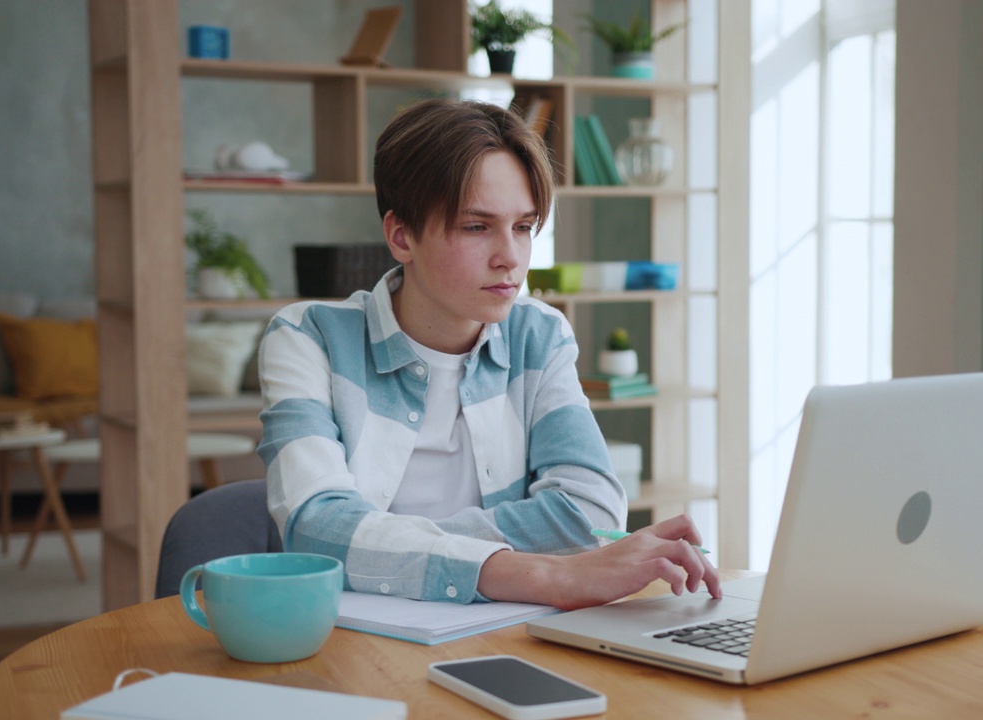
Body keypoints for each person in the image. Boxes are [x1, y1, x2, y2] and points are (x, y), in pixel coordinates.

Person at [257, 98, 720, 610]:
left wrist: (378, 543)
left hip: (502, 626)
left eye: (523, 226)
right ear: (401, 235)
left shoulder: (539, 336)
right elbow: (316, 532)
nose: (511, 257)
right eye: (476, 227)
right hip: (355, 635)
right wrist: (544, 574)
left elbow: (591, 513)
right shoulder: (308, 338)